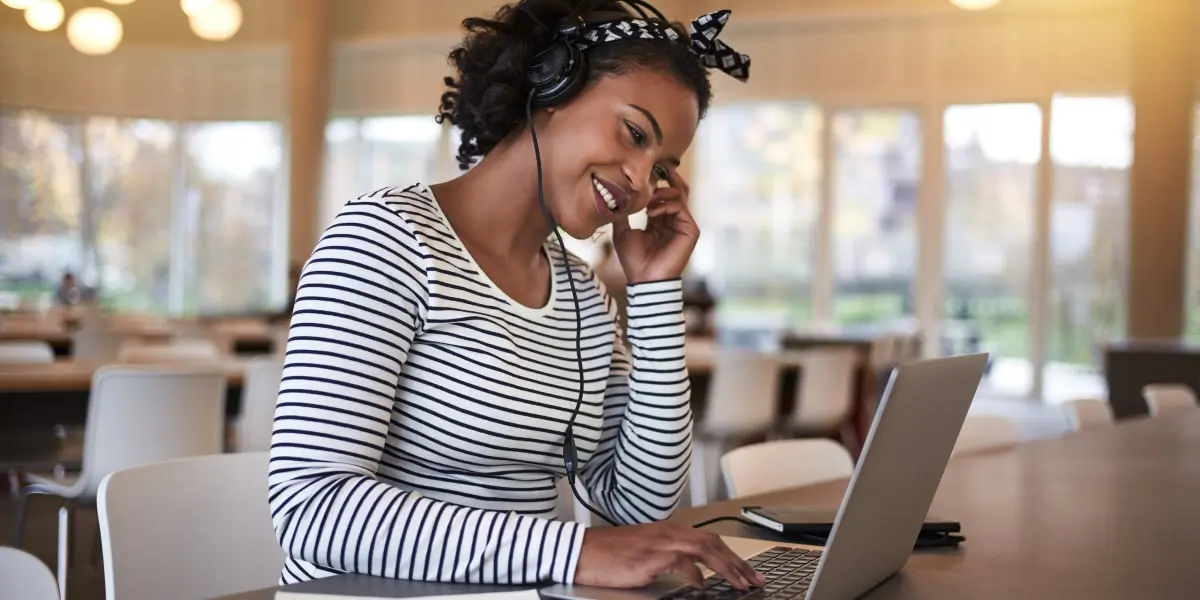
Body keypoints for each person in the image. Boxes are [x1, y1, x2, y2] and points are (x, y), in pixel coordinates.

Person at [268, 0, 760, 590]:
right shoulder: (384, 239)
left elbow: (638, 508)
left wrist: (654, 294)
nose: (638, 181)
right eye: (634, 133)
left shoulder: (582, 295)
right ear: (551, 81)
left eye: (661, 167)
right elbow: (310, 509)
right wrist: (573, 552)